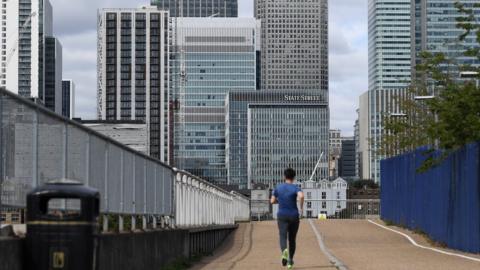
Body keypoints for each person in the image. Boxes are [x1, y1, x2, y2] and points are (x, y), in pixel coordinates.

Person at [270, 168, 304, 269]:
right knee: (292, 239)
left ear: (284, 177)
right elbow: (301, 196)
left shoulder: (278, 188)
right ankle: (290, 262)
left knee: (282, 236)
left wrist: (279, 202)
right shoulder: (295, 187)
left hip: (282, 215)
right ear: (294, 177)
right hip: (294, 216)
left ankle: (284, 251)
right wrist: (301, 209)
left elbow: (272, 201)